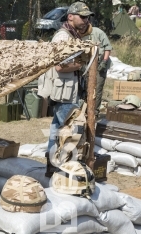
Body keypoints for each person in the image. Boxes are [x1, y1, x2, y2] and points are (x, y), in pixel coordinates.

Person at [38, 2, 91, 152]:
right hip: (64, 92)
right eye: (82, 17)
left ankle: (52, 160)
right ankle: (61, 162)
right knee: (66, 128)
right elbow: (60, 66)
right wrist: (82, 64)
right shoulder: (63, 36)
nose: (86, 20)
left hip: (68, 89)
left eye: (87, 17)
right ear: (70, 17)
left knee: (57, 126)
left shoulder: (72, 34)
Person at [82, 25, 112, 117]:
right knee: (86, 88)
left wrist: (104, 61)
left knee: (97, 88)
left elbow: (108, 48)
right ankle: (86, 110)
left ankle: (95, 112)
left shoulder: (98, 32)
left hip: (100, 63)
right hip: (86, 64)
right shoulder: (79, 33)